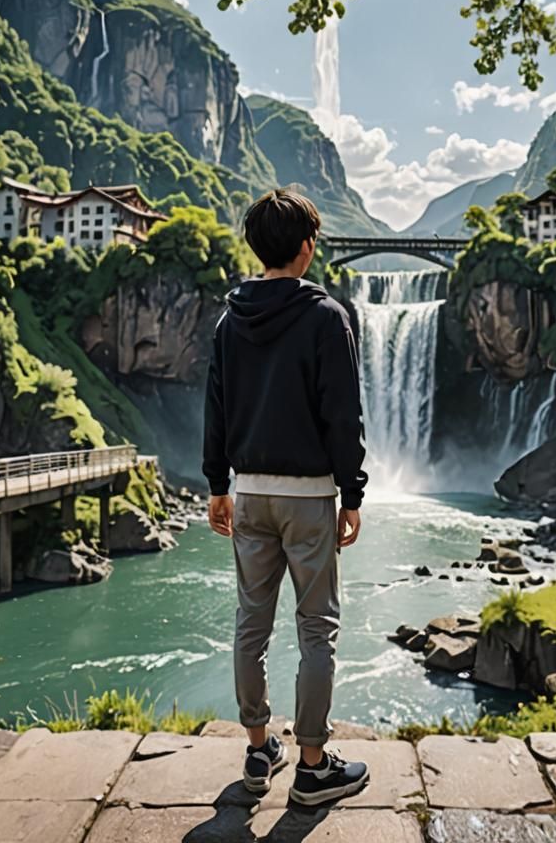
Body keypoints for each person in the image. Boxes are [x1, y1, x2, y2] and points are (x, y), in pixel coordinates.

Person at [203, 188, 370, 805]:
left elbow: (215, 410)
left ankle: (256, 751)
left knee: (251, 624)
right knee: (316, 630)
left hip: (248, 495)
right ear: (306, 248)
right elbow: (342, 414)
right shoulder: (327, 317)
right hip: (308, 500)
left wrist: (218, 485)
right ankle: (313, 766)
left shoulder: (228, 321)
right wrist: (352, 493)